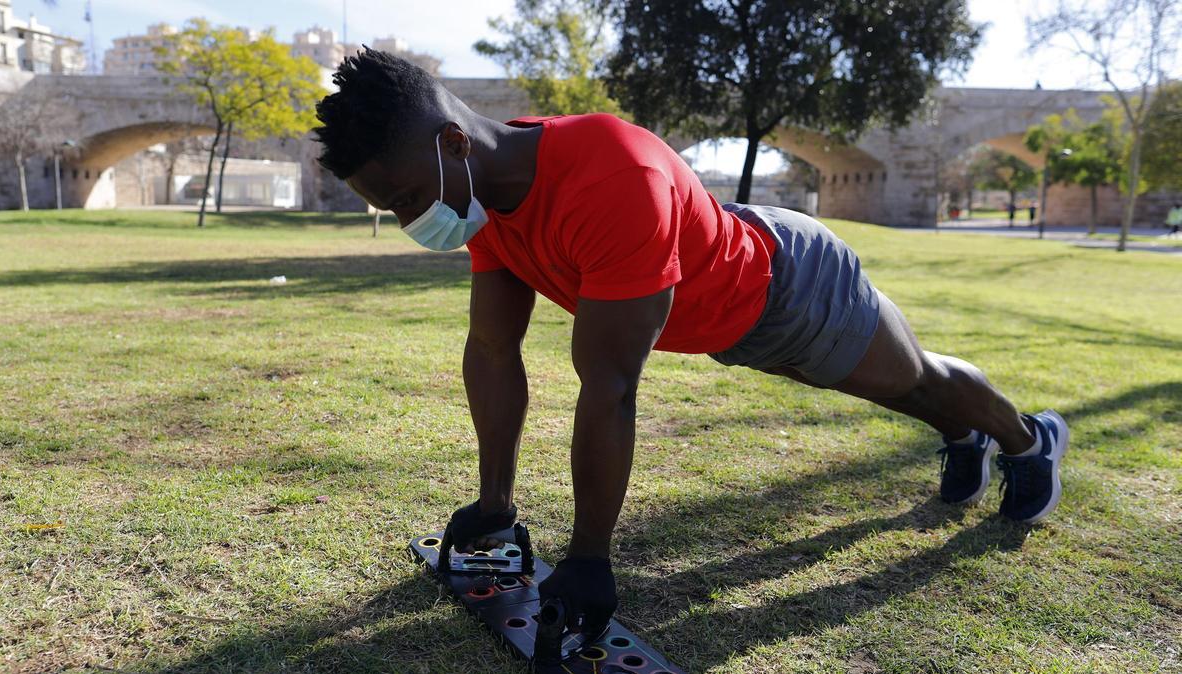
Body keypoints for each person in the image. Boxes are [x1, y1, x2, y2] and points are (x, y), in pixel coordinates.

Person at [311, 48, 1070, 643]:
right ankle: (962, 435)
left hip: (790, 290)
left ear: (452, 142)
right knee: (900, 390)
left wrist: (588, 556)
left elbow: (609, 384)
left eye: (408, 200)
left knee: (911, 380)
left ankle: (1027, 438)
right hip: (723, 322)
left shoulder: (610, 177)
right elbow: (492, 352)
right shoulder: (485, 200)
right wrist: (496, 503)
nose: (413, 222)